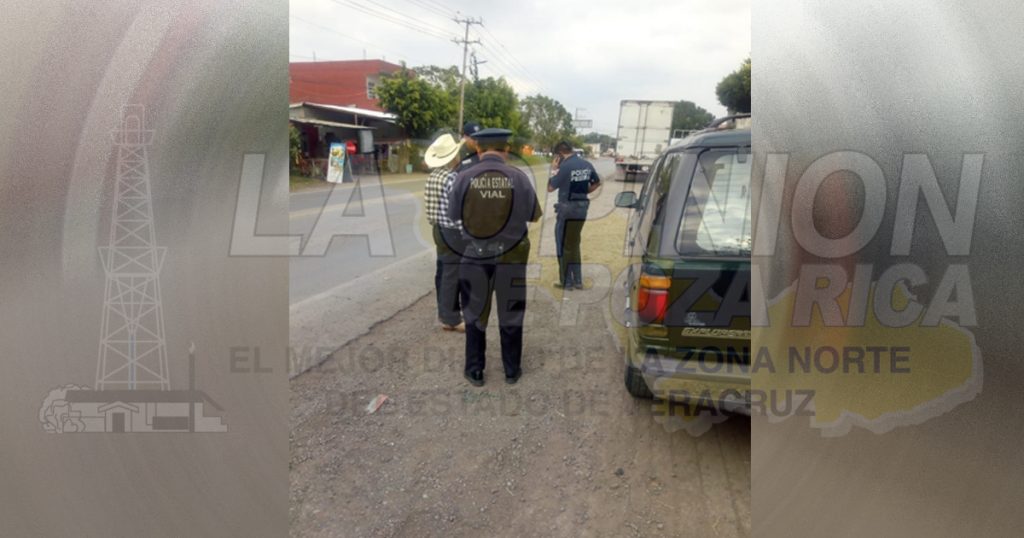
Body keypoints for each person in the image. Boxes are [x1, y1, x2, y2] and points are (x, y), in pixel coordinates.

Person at [447, 128, 542, 386]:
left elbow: (453, 215)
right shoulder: (519, 178)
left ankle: (475, 370)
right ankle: (512, 370)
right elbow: (533, 214)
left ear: (478, 149)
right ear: (507, 149)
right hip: (511, 257)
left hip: (475, 256)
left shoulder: (463, 177)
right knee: (511, 312)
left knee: (475, 314)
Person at [423, 133, 466, 332]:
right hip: (452, 232)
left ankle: (444, 311)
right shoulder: (453, 178)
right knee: (451, 275)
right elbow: (457, 214)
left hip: (437, 229)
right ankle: (451, 318)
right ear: (454, 156)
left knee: (442, 272)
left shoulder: (433, 176)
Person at [547, 141, 601, 290]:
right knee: (574, 243)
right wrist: (583, 193)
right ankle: (577, 280)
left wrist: (554, 170)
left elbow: (550, 187)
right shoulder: (586, 164)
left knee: (563, 245)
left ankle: (566, 282)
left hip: (567, 209)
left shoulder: (564, 167)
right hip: (582, 208)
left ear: (559, 155)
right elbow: (596, 183)